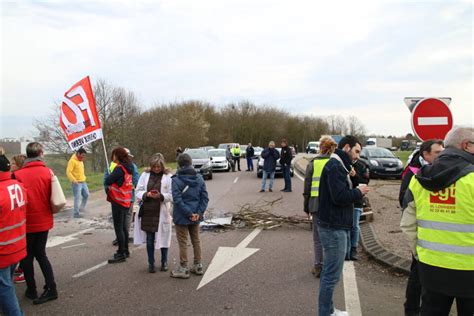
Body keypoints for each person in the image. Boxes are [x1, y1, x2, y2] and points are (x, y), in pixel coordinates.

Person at [400, 126, 474, 316]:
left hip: (431, 270)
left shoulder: (419, 179)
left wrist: (421, 255)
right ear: (466, 145)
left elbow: (407, 225)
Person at [317, 135, 370, 316]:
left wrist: (354, 179)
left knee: (330, 274)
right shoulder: (335, 167)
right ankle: (326, 313)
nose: (357, 156)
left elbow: (342, 191)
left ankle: (329, 310)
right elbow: (339, 197)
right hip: (333, 228)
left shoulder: (341, 166)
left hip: (335, 225)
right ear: (346, 147)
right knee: (331, 276)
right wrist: (358, 191)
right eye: (356, 151)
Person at [398, 139, 444, 316]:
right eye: (438, 153)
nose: (442, 155)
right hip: (419, 233)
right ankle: (411, 309)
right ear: (426, 154)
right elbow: (404, 199)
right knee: (417, 276)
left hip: (434, 234)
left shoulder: (441, 171)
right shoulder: (413, 172)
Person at [14, 142, 58, 305]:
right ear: (40, 153)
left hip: (25, 222)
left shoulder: (18, 175)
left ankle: (31, 289)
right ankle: (51, 288)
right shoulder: (48, 172)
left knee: (26, 257)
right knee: (41, 254)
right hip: (44, 220)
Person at [170, 153, 209, 279]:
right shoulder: (199, 178)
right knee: (196, 240)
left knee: (183, 242)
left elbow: (177, 200)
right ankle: (198, 265)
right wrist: (198, 213)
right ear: (191, 163)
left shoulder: (175, 180)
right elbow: (205, 198)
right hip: (196, 216)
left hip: (182, 216)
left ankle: (184, 268)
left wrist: (188, 213)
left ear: (179, 165)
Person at [303, 136, 337, 278]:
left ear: (320, 147)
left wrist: (306, 206)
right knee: (331, 238)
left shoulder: (313, 164)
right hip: (332, 206)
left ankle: (318, 267)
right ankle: (331, 267)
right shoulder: (335, 163)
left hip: (316, 205)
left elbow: (308, 187)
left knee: (317, 238)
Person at [133, 153, 173, 273]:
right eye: (154, 166)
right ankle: (151, 263)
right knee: (150, 239)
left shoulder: (168, 177)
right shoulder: (145, 175)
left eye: (159, 167)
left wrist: (161, 196)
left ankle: (164, 262)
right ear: (151, 166)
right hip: (147, 211)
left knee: (164, 238)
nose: (156, 169)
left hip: (161, 211)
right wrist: (147, 194)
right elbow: (138, 191)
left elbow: (172, 195)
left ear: (162, 166)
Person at [0, 154, 27, 315]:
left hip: (3, 248)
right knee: (7, 284)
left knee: (4, 288)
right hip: (16, 244)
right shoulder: (17, 185)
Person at [105, 147, 134, 264]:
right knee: (123, 227)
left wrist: (111, 174)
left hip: (118, 200)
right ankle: (126, 250)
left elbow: (107, 180)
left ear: (117, 156)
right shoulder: (129, 167)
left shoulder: (119, 169)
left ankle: (121, 252)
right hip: (126, 200)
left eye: (114, 155)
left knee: (119, 227)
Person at [107, 148, 139, 246]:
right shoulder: (131, 166)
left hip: (118, 198)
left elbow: (107, 181)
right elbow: (136, 180)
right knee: (126, 218)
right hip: (127, 196)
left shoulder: (116, 167)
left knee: (120, 223)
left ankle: (122, 244)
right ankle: (124, 241)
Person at [347, 158, 370, 261]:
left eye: (358, 152)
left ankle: (353, 249)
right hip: (344, 200)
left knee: (355, 226)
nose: (356, 155)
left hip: (356, 200)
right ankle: (345, 249)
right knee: (344, 226)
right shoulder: (342, 163)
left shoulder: (362, 165)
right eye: (355, 151)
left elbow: (365, 182)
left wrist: (354, 175)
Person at [10, 155, 27, 284]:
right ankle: (21, 268)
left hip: (20, 218)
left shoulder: (17, 177)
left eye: (13, 163)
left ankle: (23, 270)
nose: (11, 165)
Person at [66, 147, 89, 218]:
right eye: (82, 155)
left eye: (84, 155)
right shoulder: (72, 161)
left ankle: (81, 208)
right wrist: (73, 180)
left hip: (83, 181)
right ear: (78, 153)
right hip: (76, 183)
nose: (83, 157)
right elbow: (68, 172)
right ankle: (76, 213)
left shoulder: (81, 160)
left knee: (86, 195)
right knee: (77, 198)